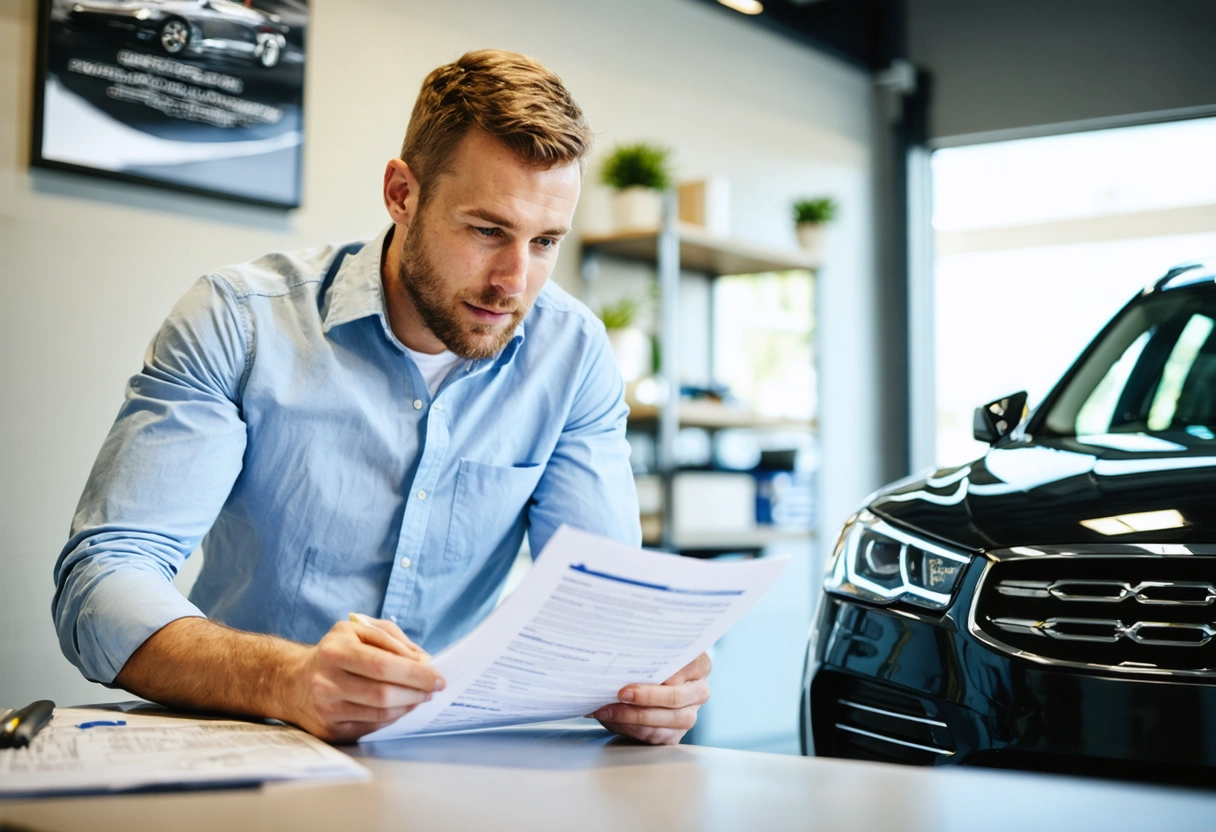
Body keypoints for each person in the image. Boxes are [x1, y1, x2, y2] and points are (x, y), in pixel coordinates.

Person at [52, 49, 710, 745]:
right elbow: (103, 578)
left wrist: (647, 680)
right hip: (246, 738)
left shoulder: (571, 354)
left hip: (450, 755)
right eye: (487, 231)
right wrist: (290, 678)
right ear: (402, 193)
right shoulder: (240, 320)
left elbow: (602, 601)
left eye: (545, 241)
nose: (514, 281)